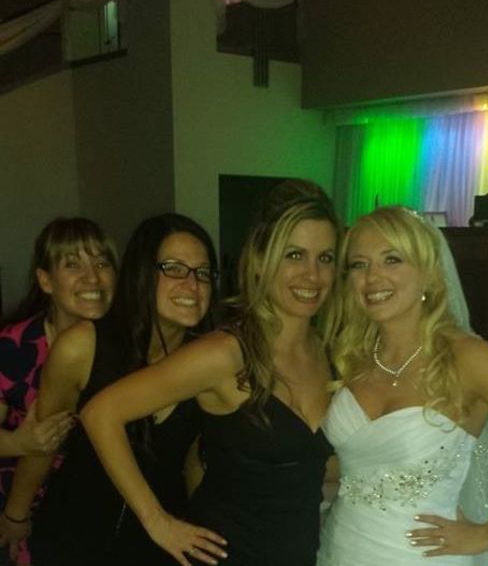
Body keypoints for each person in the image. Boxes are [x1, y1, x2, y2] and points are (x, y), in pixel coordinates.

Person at [81, 179, 341, 566]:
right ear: (260, 260)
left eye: (325, 258)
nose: (312, 274)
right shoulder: (225, 353)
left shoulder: (332, 352)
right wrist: (157, 522)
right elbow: (100, 414)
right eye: (294, 255)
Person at [316, 206, 488, 566]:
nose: (372, 277)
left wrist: (486, 534)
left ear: (428, 272)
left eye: (392, 259)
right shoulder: (352, 357)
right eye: (359, 264)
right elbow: (361, 463)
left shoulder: (467, 358)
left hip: (421, 557)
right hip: (341, 548)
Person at [0, 213, 219, 566]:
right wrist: (15, 515)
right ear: (142, 274)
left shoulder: (208, 358)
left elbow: (193, 458)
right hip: (75, 536)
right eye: (174, 268)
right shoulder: (82, 346)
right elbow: (45, 442)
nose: (192, 284)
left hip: (159, 544)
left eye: (203, 272)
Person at [0, 217, 116, 565]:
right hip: (12, 509)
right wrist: (19, 443)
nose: (92, 277)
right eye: (73, 264)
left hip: (84, 512)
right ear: (46, 281)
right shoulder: (13, 347)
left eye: (102, 263)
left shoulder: (124, 345)